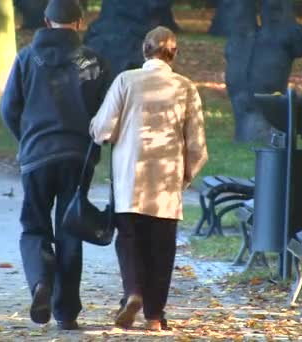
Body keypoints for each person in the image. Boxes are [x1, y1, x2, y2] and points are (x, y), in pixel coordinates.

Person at [0, 0, 110, 331]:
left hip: (36, 156)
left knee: (34, 226)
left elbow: (8, 108)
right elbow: (106, 111)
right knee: (70, 229)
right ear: (79, 23)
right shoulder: (93, 62)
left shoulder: (25, 58)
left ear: (47, 22)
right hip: (77, 157)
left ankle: (40, 283)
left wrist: (27, 139)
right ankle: (66, 311)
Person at [90, 26, 208, 331]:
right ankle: (155, 316)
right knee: (162, 248)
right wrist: (185, 176)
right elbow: (197, 145)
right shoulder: (186, 88)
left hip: (131, 178)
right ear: (174, 53)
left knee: (129, 241)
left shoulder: (125, 81)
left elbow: (104, 129)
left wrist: (94, 127)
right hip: (166, 183)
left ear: (145, 50)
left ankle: (133, 293)